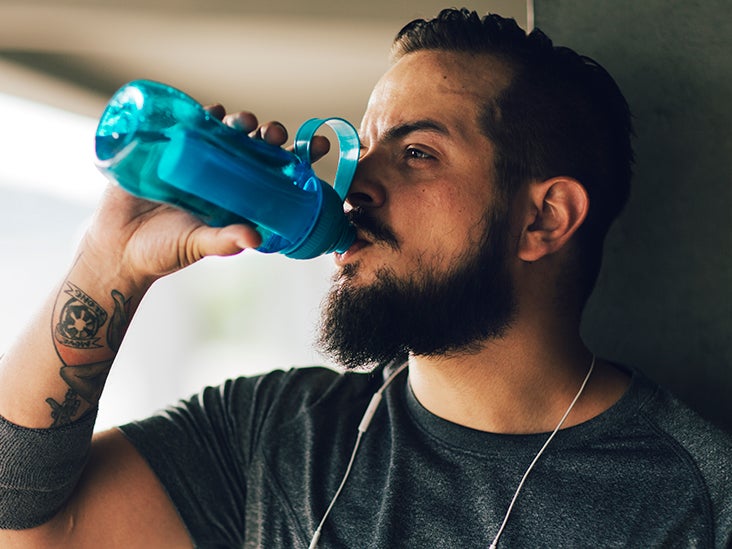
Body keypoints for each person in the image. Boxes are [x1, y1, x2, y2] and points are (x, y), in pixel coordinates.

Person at [1, 8, 730, 548]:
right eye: (363, 146)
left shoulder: (692, 499)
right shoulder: (277, 436)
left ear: (543, 219)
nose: (354, 184)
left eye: (417, 152)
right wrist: (110, 261)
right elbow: (23, 518)